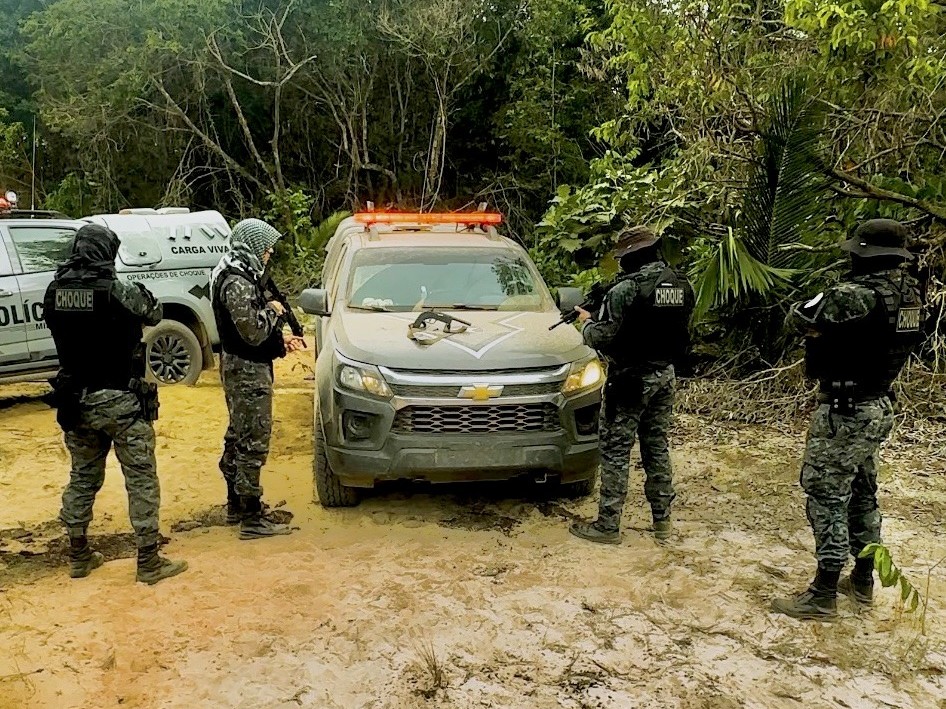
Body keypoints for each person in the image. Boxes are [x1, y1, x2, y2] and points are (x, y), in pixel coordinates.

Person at [772, 219, 924, 620]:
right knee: (863, 493)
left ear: (864, 254)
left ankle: (823, 592)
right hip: (877, 405)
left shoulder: (853, 295)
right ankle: (862, 579)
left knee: (826, 495)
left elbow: (797, 319)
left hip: (845, 409)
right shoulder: (908, 293)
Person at [43, 224, 187, 585]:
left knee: (82, 476)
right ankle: (149, 561)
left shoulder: (55, 289)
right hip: (121, 401)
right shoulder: (114, 289)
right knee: (140, 478)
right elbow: (153, 312)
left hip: (75, 400)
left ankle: (78, 555)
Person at [569, 226, 694, 544]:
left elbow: (602, 336)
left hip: (630, 380)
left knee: (614, 451)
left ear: (631, 256)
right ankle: (662, 523)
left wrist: (587, 323)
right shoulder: (680, 284)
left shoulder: (626, 289)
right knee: (656, 450)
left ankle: (608, 526)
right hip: (664, 376)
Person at [211, 219, 305, 539]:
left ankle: (237, 503)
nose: (268, 253)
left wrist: (280, 343)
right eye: (265, 248)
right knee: (252, 440)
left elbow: (252, 331)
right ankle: (250, 516)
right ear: (250, 246)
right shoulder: (236, 281)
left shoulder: (240, 273)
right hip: (247, 370)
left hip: (245, 365)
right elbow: (252, 331)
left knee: (240, 432)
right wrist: (275, 310)